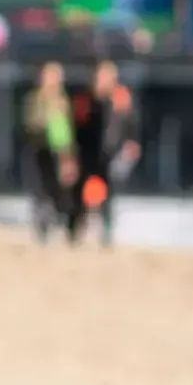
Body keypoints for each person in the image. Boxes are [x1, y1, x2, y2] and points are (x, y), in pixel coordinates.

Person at [66, 60, 139, 246]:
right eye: (104, 76)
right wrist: (70, 155)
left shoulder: (120, 99)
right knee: (78, 195)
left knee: (108, 195)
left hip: (109, 154)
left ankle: (106, 234)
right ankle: (73, 233)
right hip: (86, 153)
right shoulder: (84, 100)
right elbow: (74, 127)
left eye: (111, 76)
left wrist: (131, 144)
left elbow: (131, 125)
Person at [22, 61, 76, 242]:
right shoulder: (35, 100)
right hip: (38, 151)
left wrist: (68, 158)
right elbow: (31, 125)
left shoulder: (63, 102)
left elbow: (67, 133)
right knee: (39, 191)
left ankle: (59, 225)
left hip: (57, 153)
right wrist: (47, 117)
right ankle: (41, 228)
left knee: (58, 191)